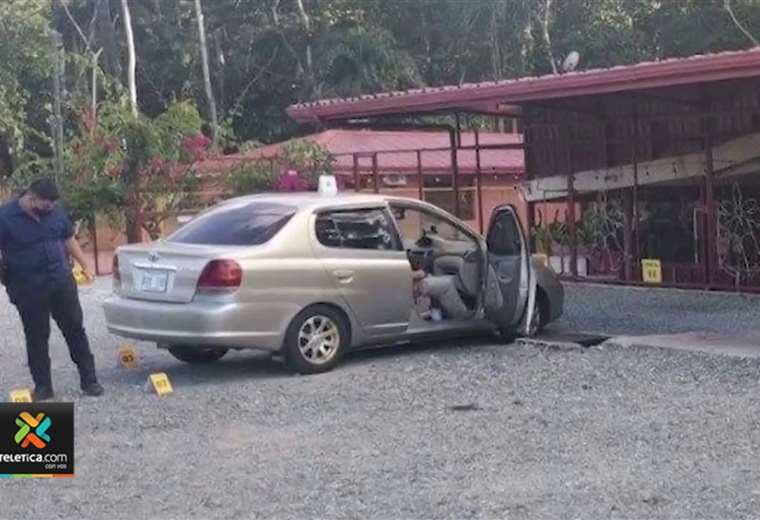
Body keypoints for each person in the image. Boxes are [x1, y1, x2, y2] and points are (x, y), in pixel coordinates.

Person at [0, 178, 104, 401]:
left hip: (61, 282)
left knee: (75, 330)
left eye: (53, 204)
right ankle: (43, 387)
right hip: (28, 287)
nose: (50, 208)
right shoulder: (5, 217)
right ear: (31, 198)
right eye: (46, 204)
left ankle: (90, 381)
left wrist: (85, 264)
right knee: (36, 337)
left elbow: (68, 238)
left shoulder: (55, 211)